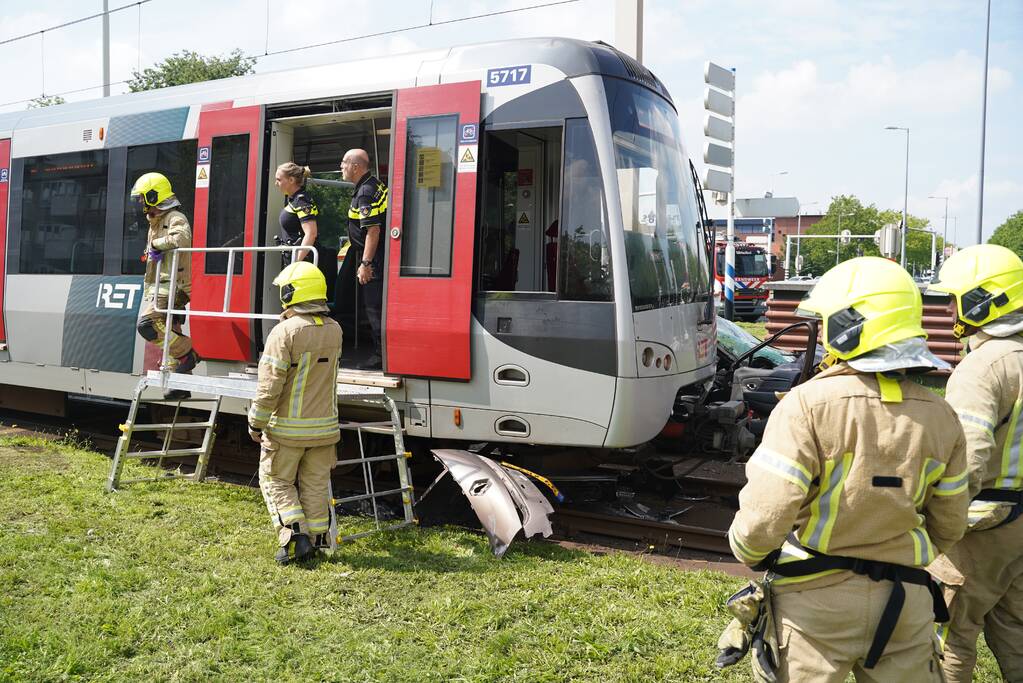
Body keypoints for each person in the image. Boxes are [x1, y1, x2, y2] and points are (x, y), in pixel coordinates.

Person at [726, 257, 969, 682]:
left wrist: (749, 552)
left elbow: (764, 517)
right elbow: (950, 522)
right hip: (906, 603)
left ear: (847, 326)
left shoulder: (806, 405)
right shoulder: (942, 415)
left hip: (813, 603)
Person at [927, 244, 1023, 682]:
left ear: (983, 301)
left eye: (955, 298)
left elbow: (971, 455)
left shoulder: (983, 366)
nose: (949, 309)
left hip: (984, 527)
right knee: (1016, 630)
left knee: (952, 637)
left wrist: (939, 521)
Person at [248, 261, 342, 565]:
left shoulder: (284, 332)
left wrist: (256, 422)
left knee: (275, 479)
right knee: (315, 486)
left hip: (288, 430)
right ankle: (315, 541)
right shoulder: (335, 330)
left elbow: (270, 386)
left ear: (292, 293)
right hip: (325, 431)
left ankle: (294, 535)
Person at [131, 172, 200, 400]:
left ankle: (189, 353)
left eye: (143, 197)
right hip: (160, 287)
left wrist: (155, 244)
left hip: (174, 286)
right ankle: (180, 385)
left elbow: (181, 238)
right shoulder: (156, 221)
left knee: (147, 325)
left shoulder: (175, 217)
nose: (140, 202)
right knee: (172, 330)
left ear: (154, 195)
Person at [334, 148, 387, 371]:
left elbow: (373, 231)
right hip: (375, 254)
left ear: (356, 166)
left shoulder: (365, 192)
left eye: (344, 163)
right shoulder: (374, 184)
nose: (341, 167)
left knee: (373, 306)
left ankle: (380, 355)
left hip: (374, 257)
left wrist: (365, 264)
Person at [274, 162, 337, 298]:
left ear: (291, 180)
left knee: (300, 306)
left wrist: (295, 263)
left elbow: (311, 233)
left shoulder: (302, 201)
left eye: (279, 179)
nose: (276, 183)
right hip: (297, 262)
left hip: (303, 264)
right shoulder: (294, 200)